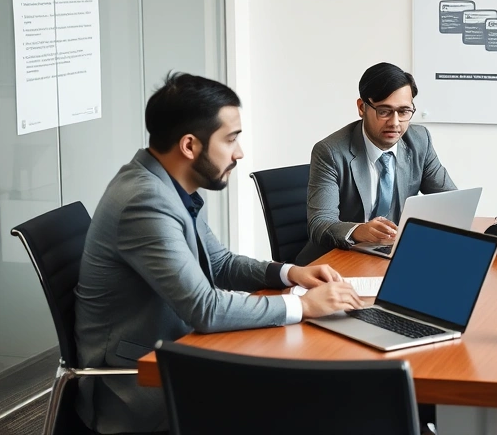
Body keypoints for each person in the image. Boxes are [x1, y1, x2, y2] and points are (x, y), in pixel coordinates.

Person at [75, 73, 362, 434]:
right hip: (137, 384)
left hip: (185, 351)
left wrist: (291, 273)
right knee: (307, 399)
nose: (239, 153)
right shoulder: (144, 201)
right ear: (190, 146)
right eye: (231, 139)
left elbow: (221, 264)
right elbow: (205, 309)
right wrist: (304, 305)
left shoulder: (168, 186)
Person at [299, 61, 456, 264]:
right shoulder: (330, 152)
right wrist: (358, 231)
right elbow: (320, 224)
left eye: (404, 111)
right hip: (337, 260)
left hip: (391, 256)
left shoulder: (419, 140)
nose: (395, 122)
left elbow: (449, 201)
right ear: (362, 107)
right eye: (384, 111)